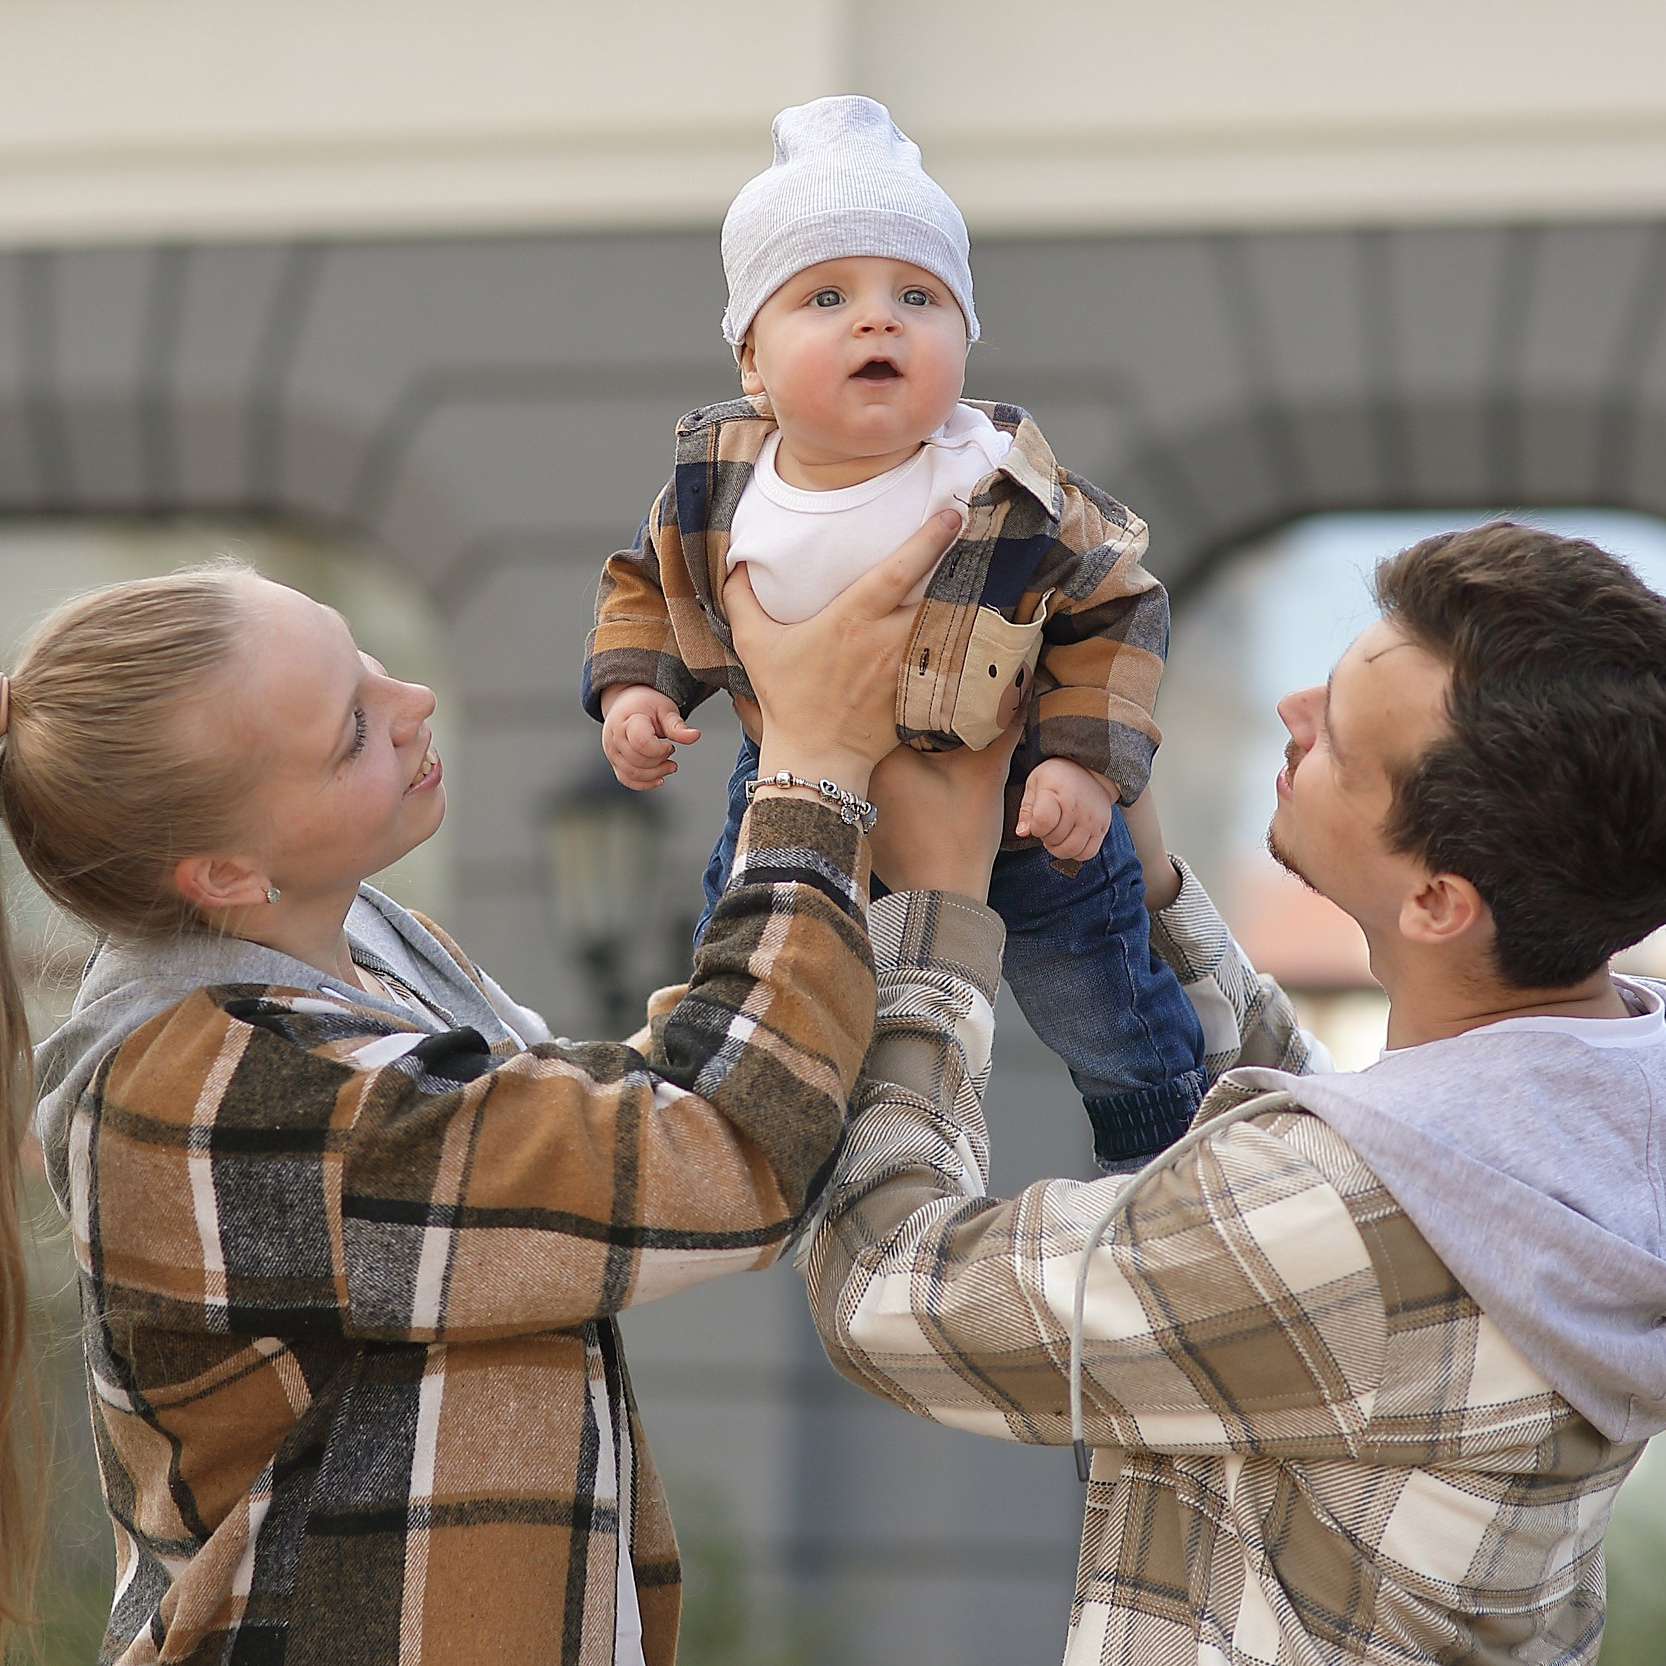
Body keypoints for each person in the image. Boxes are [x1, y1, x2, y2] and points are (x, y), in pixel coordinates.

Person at [0, 513, 963, 1666]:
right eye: (351, 730)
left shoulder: (358, 943)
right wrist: (812, 776)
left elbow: (617, 1107)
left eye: (363, 659)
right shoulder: (224, 1089)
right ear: (224, 875)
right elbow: (717, 1148)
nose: (411, 700)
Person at [801, 521, 1666, 1664]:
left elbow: (885, 1288)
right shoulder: (1610, 1101)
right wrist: (1140, 875)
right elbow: (1356, 1151)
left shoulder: (1346, 1219)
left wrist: (933, 910)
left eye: (1341, 743)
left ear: (1437, 901)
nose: (1291, 710)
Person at [583, 94, 1207, 1172]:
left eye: (917, 296)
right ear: (750, 359)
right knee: (758, 948)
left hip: (1007, 788)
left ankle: (1163, 1127)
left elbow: (1116, 610)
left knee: (1090, 981)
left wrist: (1084, 764)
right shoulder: (715, 480)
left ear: (964, 336)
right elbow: (648, 583)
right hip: (787, 775)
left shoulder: (1006, 482)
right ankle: (759, 1123)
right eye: (825, 297)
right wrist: (637, 691)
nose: (877, 320)